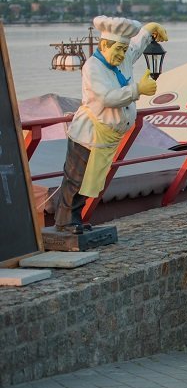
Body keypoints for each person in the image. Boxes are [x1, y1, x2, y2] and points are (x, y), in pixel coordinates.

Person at [55, 15, 168, 234]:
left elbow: (136, 47)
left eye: (123, 50)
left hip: (107, 137)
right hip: (89, 133)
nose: (122, 54)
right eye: (118, 49)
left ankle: (75, 219)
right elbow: (106, 97)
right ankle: (65, 222)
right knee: (77, 178)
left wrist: (150, 28)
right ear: (104, 45)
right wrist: (138, 90)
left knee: (92, 180)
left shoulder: (122, 56)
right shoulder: (92, 67)